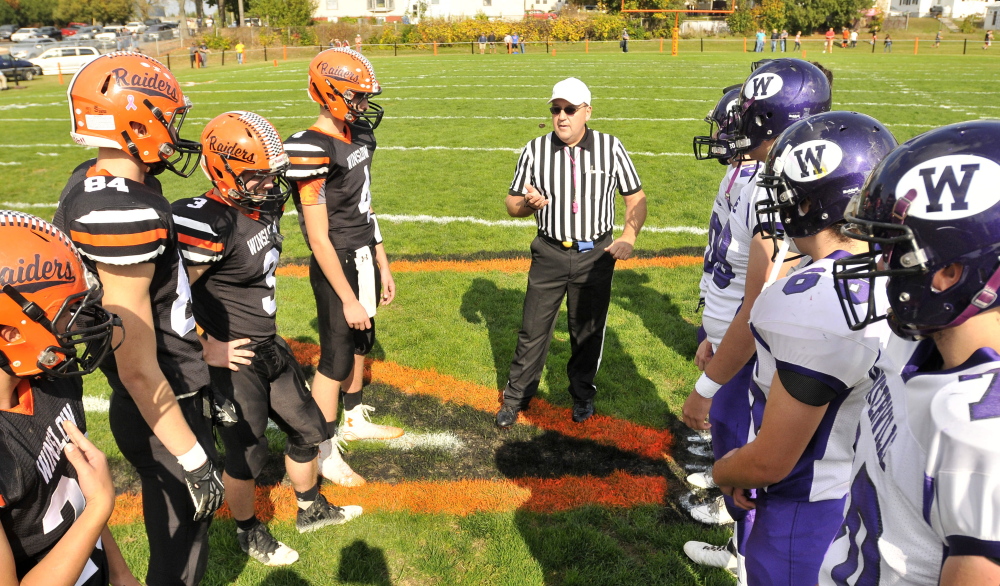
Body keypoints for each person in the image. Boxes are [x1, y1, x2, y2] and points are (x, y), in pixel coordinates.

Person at [53, 52, 225, 586]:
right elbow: (137, 363)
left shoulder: (94, 178)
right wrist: (192, 454)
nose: (175, 131)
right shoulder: (120, 209)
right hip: (158, 400)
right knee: (180, 554)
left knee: (172, 529)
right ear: (133, 117)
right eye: (167, 117)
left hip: (159, 393)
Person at [711, 112, 899, 586]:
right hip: (862, 497)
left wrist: (726, 469)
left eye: (789, 192)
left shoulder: (811, 304)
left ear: (813, 201)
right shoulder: (900, 279)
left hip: (804, 507)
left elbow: (774, 458)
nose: (779, 204)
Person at [173, 111, 364, 567]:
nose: (267, 185)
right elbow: (168, 301)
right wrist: (206, 348)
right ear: (224, 169)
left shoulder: (261, 205)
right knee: (247, 454)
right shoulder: (207, 223)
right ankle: (248, 532)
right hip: (234, 357)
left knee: (310, 429)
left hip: (268, 344)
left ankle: (311, 509)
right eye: (256, 176)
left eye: (269, 175)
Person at [819, 119, 1000, 586]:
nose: (877, 264)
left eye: (892, 249)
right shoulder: (916, 343)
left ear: (949, 272)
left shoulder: (983, 438)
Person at [681, 59, 832, 578]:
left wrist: (707, 380)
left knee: (757, 466)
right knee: (741, 453)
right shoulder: (756, 178)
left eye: (747, 114)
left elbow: (759, 303)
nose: (734, 124)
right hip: (746, 341)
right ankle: (743, 551)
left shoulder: (773, 191)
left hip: (770, 353)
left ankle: (746, 561)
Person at [496, 77, 647, 428]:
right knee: (533, 329)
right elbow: (511, 203)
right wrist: (527, 205)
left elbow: (635, 197)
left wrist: (629, 235)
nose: (562, 116)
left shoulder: (610, 147)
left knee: (587, 331)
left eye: (570, 109)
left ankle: (582, 395)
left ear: (587, 111)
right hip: (549, 253)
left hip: (595, 255)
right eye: (556, 109)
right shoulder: (535, 150)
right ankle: (516, 397)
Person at [0, 211, 139, 586]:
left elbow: (78, 486)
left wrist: (121, 573)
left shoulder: (49, 380)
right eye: (63, 313)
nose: (78, 326)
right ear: (12, 334)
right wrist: (98, 509)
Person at [283, 48, 402, 464]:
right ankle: (323, 449)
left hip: (364, 254)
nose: (364, 106)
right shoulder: (310, 148)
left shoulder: (360, 136)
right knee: (333, 359)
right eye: (357, 97)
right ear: (331, 93)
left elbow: (365, 208)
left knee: (361, 342)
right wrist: (348, 297)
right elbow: (317, 238)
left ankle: (353, 418)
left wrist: (383, 261)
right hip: (338, 260)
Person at [685, 84, 759, 577]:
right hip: (725, 326)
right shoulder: (739, 173)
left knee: (749, 443)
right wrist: (712, 325)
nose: (721, 134)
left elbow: (760, 294)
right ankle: (736, 531)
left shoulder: (764, 187)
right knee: (732, 437)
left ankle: (743, 551)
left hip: (745, 340)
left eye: (729, 125)